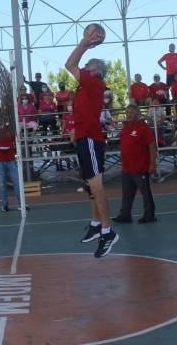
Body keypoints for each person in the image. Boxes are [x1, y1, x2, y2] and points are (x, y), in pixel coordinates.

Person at [64, 27, 119, 258]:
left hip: (91, 139)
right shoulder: (86, 87)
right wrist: (75, 128)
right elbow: (84, 112)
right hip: (84, 136)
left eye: (89, 65)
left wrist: (85, 42)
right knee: (89, 186)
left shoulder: (94, 83)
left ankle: (108, 232)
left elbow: (69, 64)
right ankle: (96, 224)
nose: (85, 66)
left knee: (96, 186)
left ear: (97, 72)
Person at [112, 105, 157, 224]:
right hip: (127, 168)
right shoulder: (125, 128)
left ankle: (149, 215)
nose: (129, 114)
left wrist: (153, 163)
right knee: (127, 194)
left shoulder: (143, 127)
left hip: (140, 167)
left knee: (145, 193)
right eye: (127, 112)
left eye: (131, 112)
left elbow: (152, 145)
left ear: (137, 113)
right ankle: (125, 215)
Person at [0, 112, 21, 212]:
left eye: (1, 119)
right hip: (0, 160)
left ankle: (21, 204)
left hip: (11, 159)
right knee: (2, 184)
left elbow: (16, 143)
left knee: (17, 182)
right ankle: (5, 205)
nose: (0, 121)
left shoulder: (9, 131)